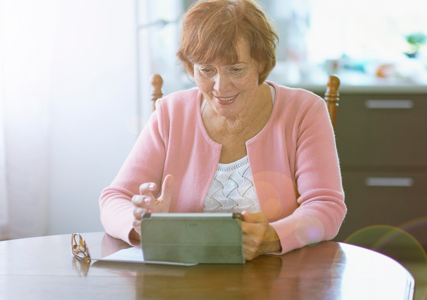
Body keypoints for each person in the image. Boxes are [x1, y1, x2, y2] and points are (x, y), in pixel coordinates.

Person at [100, 0, 346, 259]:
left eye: (236, 69)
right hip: (185, 285)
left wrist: (272, 237)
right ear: (190, 67)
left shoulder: (304, 111)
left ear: (261, 64)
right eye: (206, 70)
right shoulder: (171, 114)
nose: (220, 87)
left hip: (277, 281)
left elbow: (325, 206)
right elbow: (114, 198)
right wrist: (142, 225)